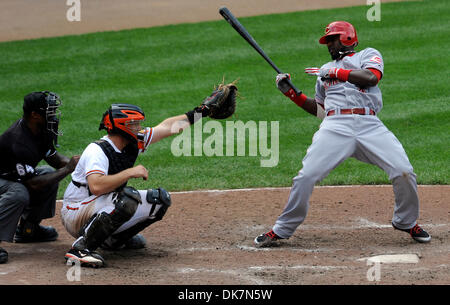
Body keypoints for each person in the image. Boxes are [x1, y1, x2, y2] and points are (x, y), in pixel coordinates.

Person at [254, 21, 431, 247]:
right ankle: (281, 229)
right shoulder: (324, 72)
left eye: (333, 39)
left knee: (403, 171)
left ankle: (406, 221)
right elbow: (321, 111)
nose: (329, 44)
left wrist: (336, 72)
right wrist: (292, 94)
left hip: (369, 124)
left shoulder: (367, 55)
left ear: (347, 38)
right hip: (335, 125)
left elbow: (372, 78)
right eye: (328, 40)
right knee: (306, 176)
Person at [62, 83, 237, 268]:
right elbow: (96, 186)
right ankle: (79, 249)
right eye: (135, 124)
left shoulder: (133, 141)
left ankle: (113, 240)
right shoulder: (97, 150)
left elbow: (168, 127)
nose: (139, 127)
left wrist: (201, 111)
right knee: (127, 198)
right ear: (123, 127)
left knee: (159, 200)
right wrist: (130, 172)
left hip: (99, 205)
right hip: (76, 211)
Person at [0, 91, 79, 264]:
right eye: (49, 111)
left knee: (47, 175)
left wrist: (82, 166)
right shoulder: (17, 141)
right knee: (18, 193)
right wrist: (68, 169)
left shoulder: (40, 130)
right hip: (3, 180)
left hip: (13, 176)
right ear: (35, 114)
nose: (53, 115)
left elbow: (53, 158)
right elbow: (33, 184)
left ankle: (29, 230)